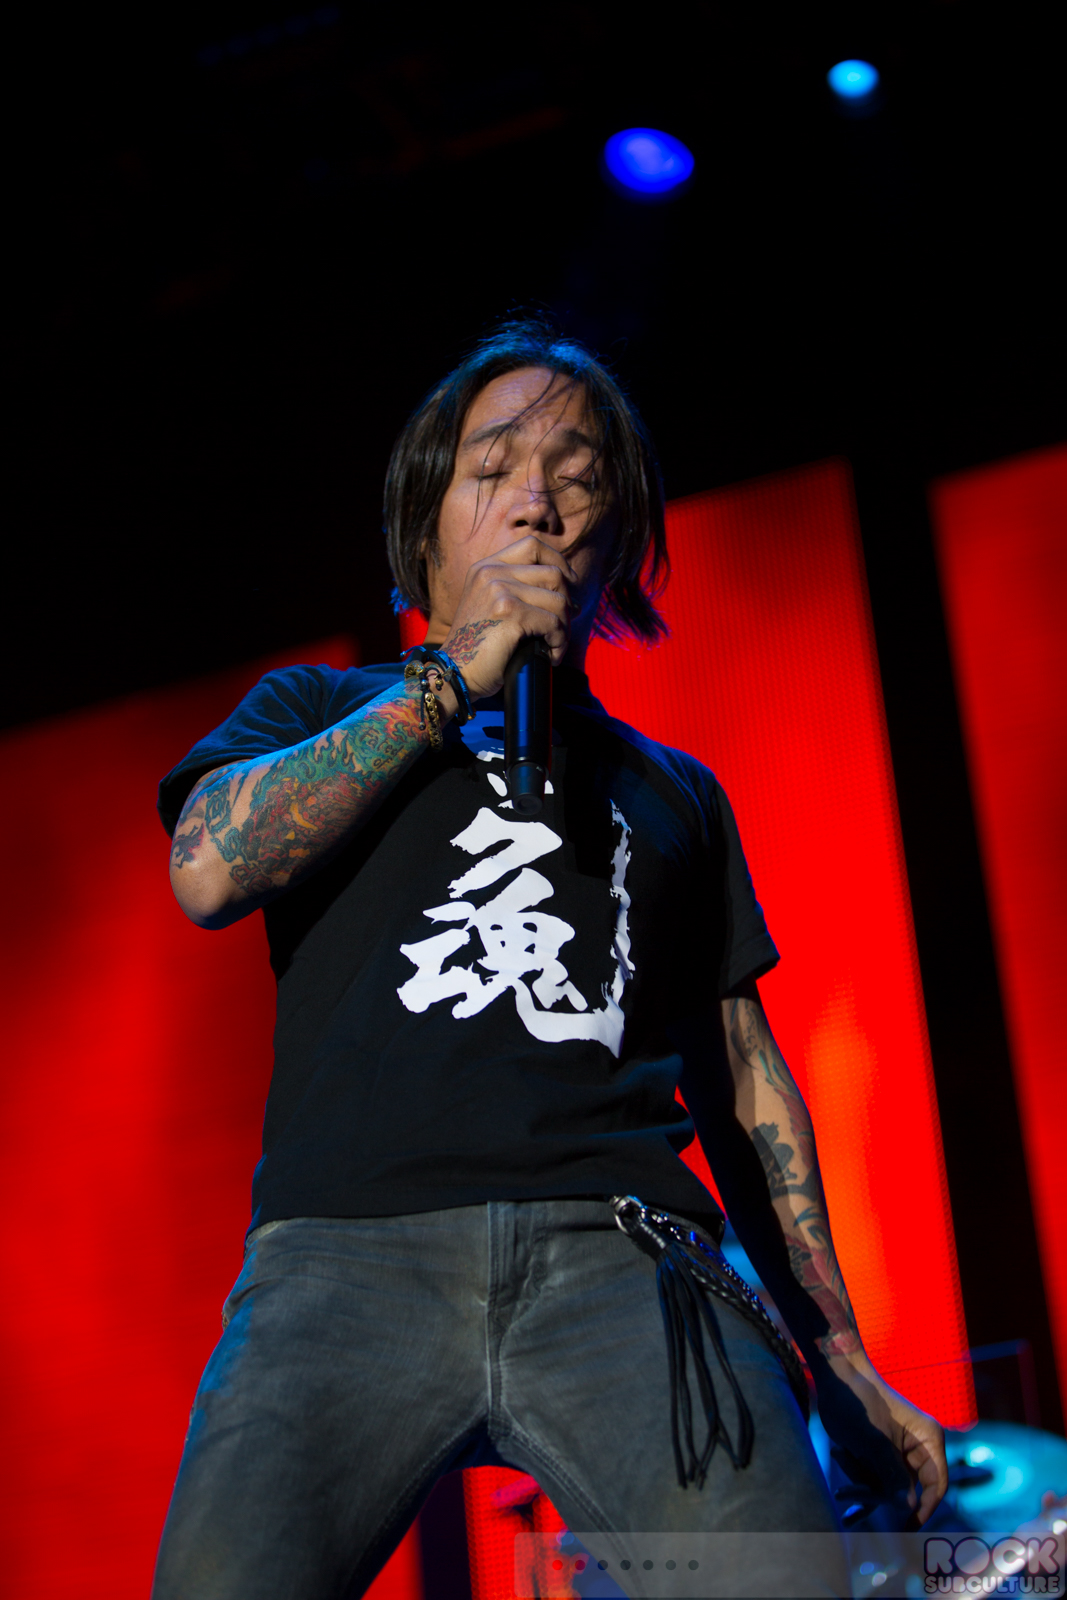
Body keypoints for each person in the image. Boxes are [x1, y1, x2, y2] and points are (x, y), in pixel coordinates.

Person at [152, 320, 947, 1599]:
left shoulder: (672, 792)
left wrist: (839, 1357)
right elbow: (208, 868)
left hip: (627, 1258)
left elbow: (747, 1083)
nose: (536, 503)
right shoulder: (316, 711)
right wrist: (451, 683)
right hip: (341, 1258)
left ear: (612, 544)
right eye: (494, 470)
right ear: (427, 527)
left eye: (576, 480)